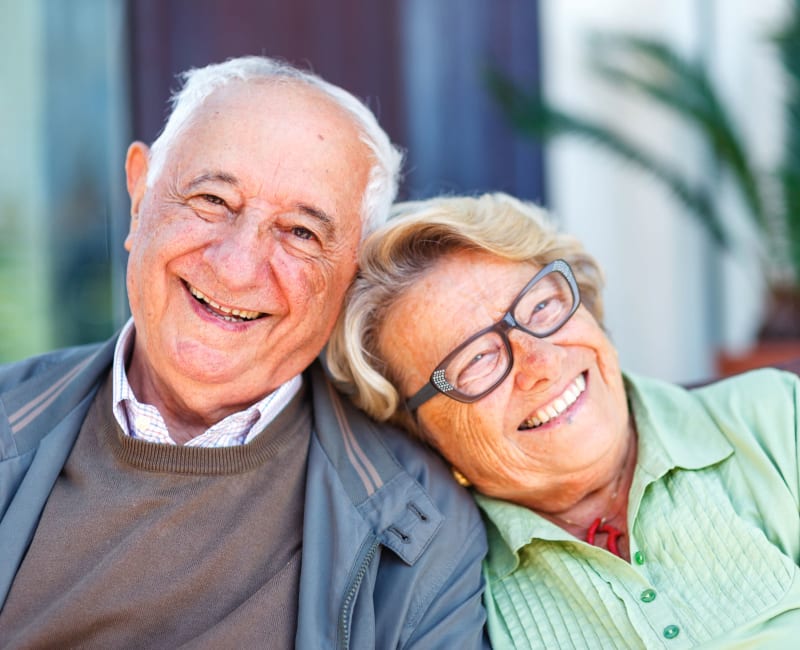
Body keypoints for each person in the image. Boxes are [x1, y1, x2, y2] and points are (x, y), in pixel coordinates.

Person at [0, 57, 489, 649]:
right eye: (212, 200)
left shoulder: (423, 529)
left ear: (351, 276)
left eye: (301, 233)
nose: (235, 265)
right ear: (139, 196)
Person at [327, 191, 800, 649]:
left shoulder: (778, 418)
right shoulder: (453, 594)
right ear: (420, 431)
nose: (541, 362)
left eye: (540, 306)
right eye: (476, 360)